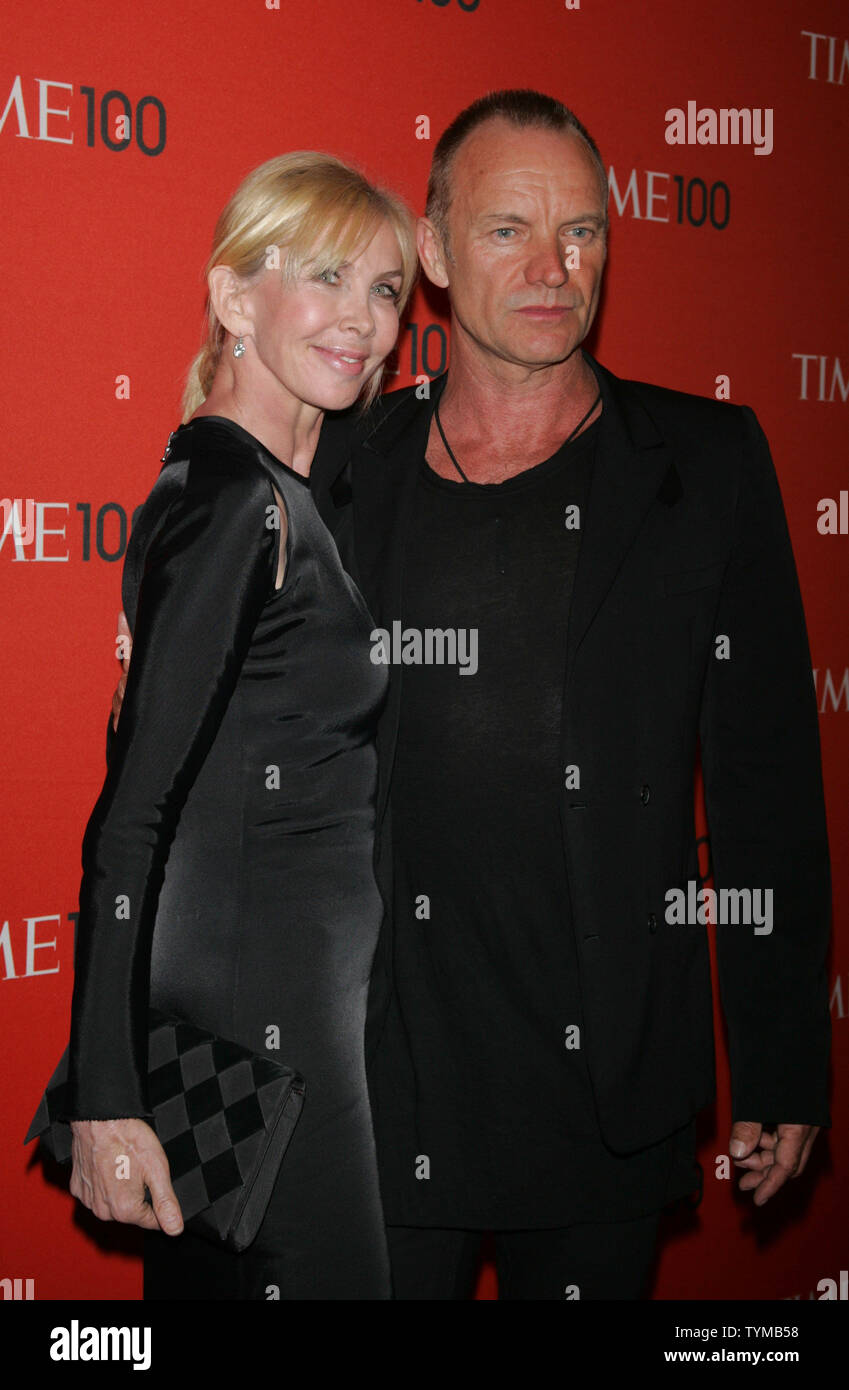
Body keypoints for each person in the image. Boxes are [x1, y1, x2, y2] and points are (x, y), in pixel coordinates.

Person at [114, 91, 832, 1301]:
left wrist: (785, 1065)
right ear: (437, 255)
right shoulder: (339, 457)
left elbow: (766, 782)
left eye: (584, 233)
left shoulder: (706, 466)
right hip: (370, 1080)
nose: (555, 267)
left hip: (599, 1098)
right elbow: (196, 774)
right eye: (507, 230)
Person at [62, 150, 418, 1300]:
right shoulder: (233, 502)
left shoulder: (270, 484)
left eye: (385, 291)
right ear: (231, 298)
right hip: (275, 1035)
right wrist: (109, 1101)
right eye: (325, 276)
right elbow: (133, 814)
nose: (363, 322)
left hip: (284, 1016)